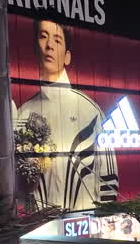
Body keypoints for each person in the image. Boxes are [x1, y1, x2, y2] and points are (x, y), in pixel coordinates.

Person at [13, 19, 120, 212]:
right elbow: (19, 185)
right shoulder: (24, 113)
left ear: (67, 56)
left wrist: (101, 223)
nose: (49, 46)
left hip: (85, 227)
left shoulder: (90, 111)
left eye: (57, 40)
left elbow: (109, 177)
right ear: (36, 48)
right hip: (41, 230)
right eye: (43, 36)